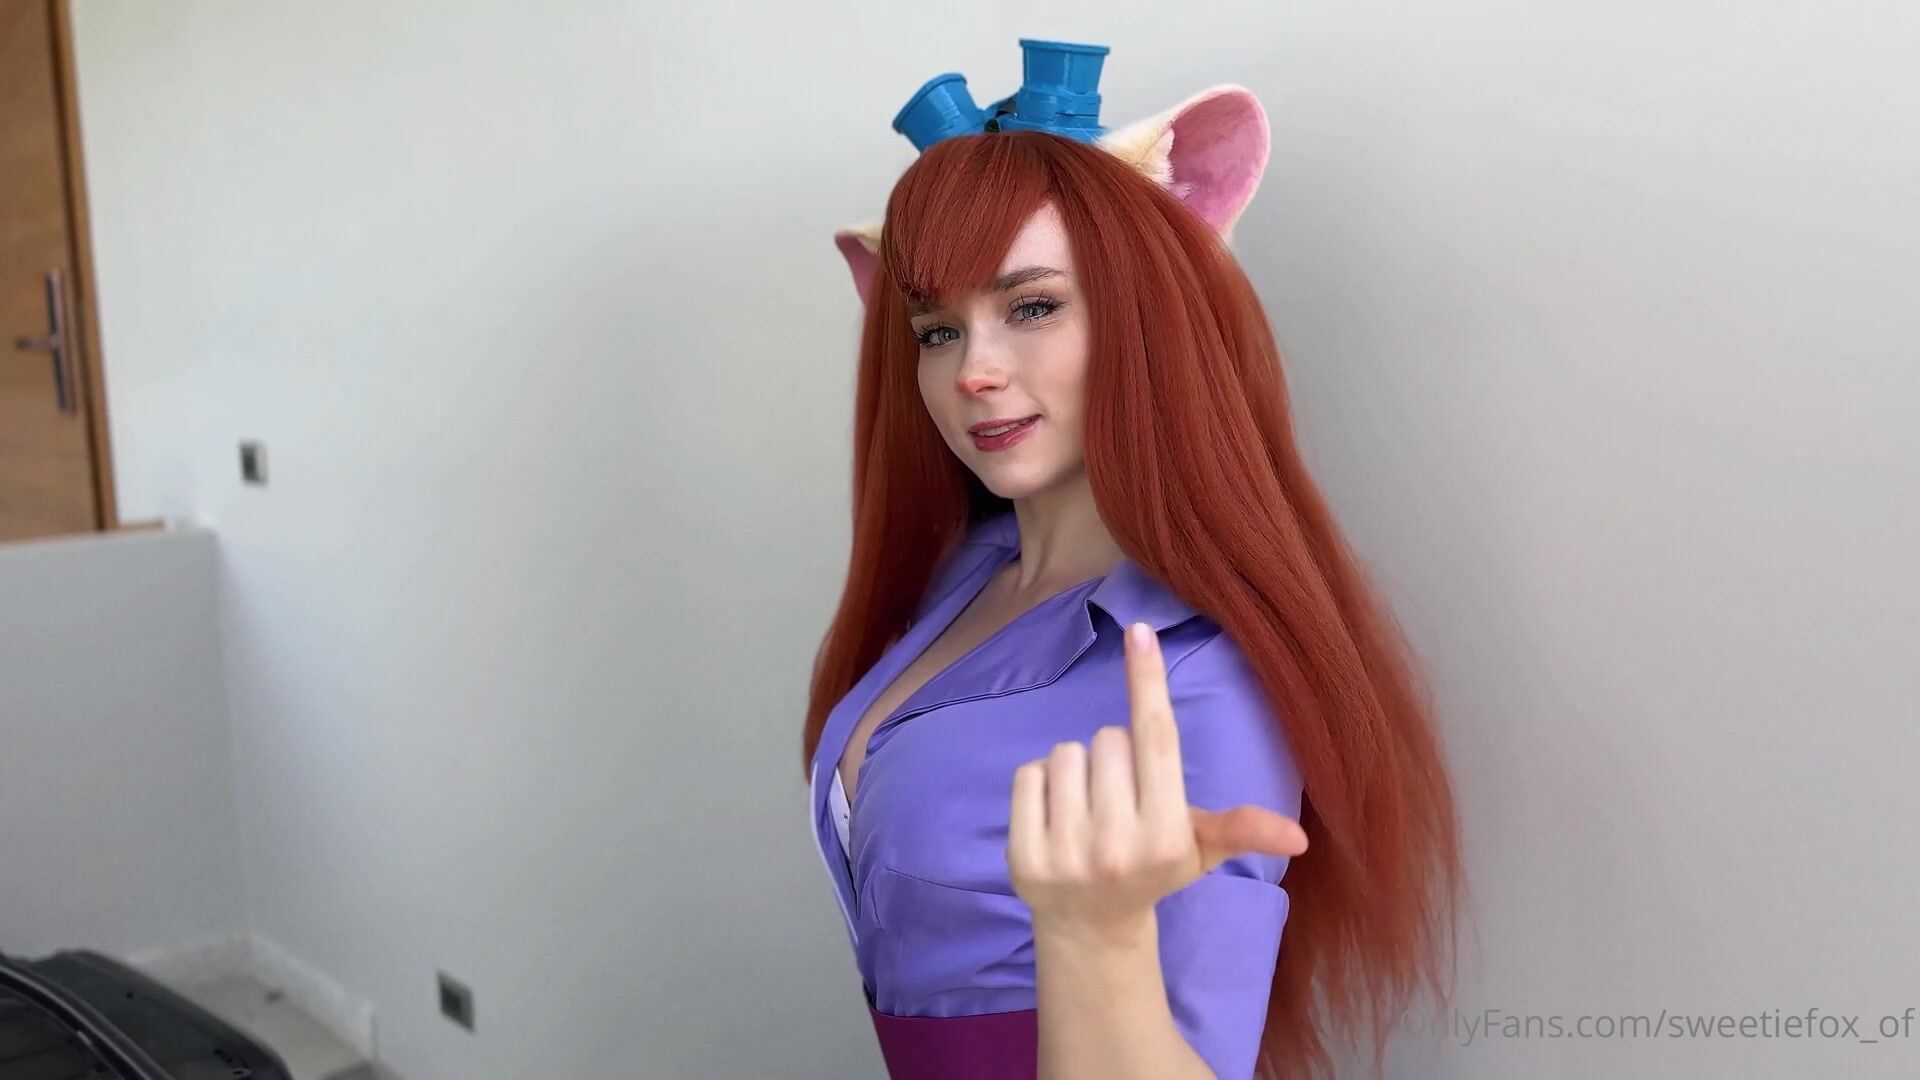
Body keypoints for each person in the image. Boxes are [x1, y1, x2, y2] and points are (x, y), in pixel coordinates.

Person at [801, 63, 1463, 1080]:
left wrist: (1094, 935)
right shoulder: (963, 577)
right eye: (937, 329)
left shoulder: (1198, 679)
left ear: (1148, 317)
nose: (973, 370)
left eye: (1032, 308)